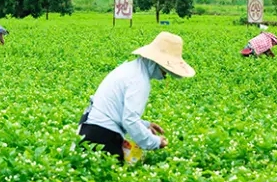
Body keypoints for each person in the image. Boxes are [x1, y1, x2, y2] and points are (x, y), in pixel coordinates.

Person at [78, 31, 195, 164]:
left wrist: (145, 125)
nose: (166, 73)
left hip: (89, 129)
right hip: (102, 135)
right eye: (166, 69)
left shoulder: (130, 69)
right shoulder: (139, 80)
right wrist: (155, 142)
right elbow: (129, 120)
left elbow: (118, 111)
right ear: (156, 63)